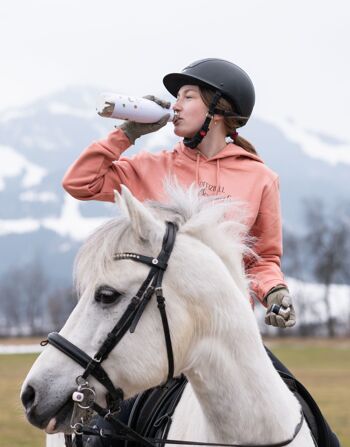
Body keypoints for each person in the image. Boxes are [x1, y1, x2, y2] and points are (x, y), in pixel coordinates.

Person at [63, 58, 339, 446]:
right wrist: (127, 133)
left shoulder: (260, 177)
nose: (175, 105)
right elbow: (80, 182)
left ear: (219, 110)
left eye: (187, 96)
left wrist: (274, 291)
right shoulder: (149, 167)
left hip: (229, 339)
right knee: (104, 437)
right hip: (162, 341)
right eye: (175, 97)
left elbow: (262, 260)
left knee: (318, 428)